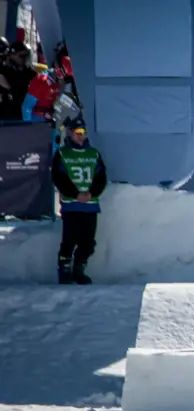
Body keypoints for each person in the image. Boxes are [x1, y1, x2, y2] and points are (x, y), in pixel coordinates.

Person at [52, 117, 108, 285]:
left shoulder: (94, 153)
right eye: (77, 133)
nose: (80, 136)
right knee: (69, 240)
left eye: (82, 133)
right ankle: (64, 270)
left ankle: (79, 269)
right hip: (71, 205)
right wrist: (75, 194)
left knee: (88, 242)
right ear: (70, 133)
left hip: (90, 206)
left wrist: (92, 193)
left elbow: (101, 177)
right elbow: (58, 177)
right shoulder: (62, 153)